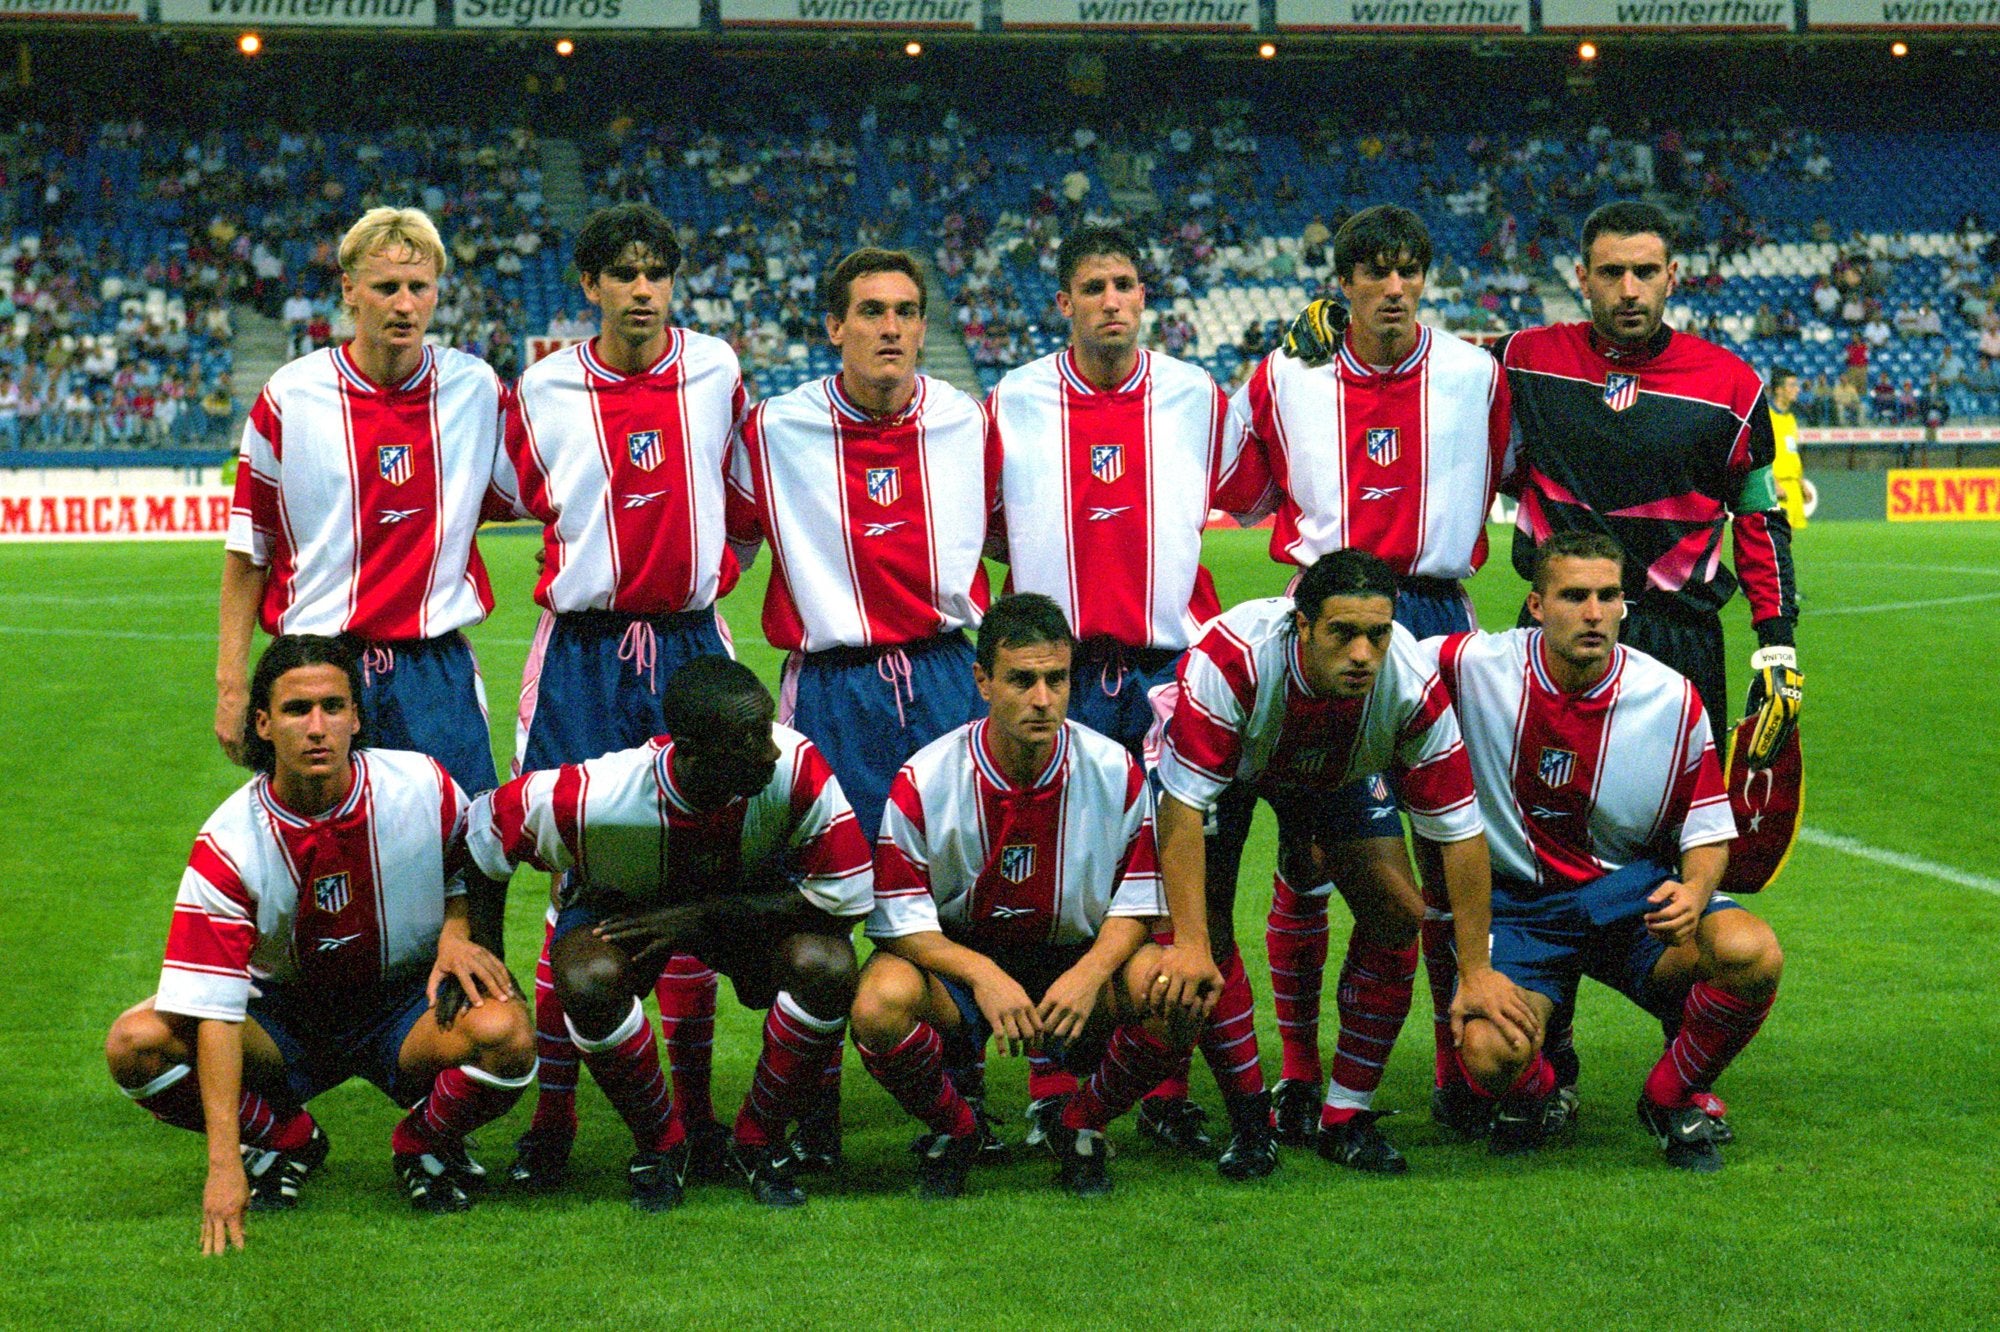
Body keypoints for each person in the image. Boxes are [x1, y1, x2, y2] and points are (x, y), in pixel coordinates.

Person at [984, 224, 1267, 1167]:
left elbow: (1242, 495)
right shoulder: (1014, 399)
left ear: (1146, 297)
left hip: (1166, 678)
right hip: (1058, 676)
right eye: (1094, 286)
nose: (1114, 299)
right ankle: (1053, 1083)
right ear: (1062, 302)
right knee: (1062, 887)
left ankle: (1166, 1086)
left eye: (1127, 284)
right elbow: (987, 524)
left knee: (1189, 892)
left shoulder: (1194, 394)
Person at [105, 636, 535, 1251]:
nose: (317, 727)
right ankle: (285, 1139)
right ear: (262, 723)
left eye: (334, 707)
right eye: (296, 710)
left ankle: (422, 1143)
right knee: (135, 1044)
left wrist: (456, 929)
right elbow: (218, 1014)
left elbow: (469, 864)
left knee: (508, 1036)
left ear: (357, 718)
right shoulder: (229, 842)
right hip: (285, 1019)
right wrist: (225, 1165)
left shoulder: (420, 784)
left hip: (402, 1008)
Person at [1233, 205, 1513, 1144]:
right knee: (1309, 853)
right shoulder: (1289, 376)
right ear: (1341, 283)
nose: (1394, 288)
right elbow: (1238, 485)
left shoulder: (1478, 376)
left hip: (1432, 618)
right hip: (1325, 629)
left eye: (1410, 271)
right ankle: (1301, 1069)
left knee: (1441, 854)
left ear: (1426, 280)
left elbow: (1521, 471)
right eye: (1374, 272)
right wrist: (1267, 362)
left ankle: (1452, 1055)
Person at [726, 248, 994, 1172]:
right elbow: (718, 523)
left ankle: (963, 1085)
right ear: (834, 326)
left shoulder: (965, 421)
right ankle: (813, 1106)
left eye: (908, 312)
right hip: (831, 684)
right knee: (824, 898)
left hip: (944, 679)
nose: (891, 328)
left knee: (951, 885)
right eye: (871, 311)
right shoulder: (774, 429)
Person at [501, 203, 746, 1192]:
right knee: (575, 873)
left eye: (657, 270)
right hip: (584, 653)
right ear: (590, 285)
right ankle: (553, 1117)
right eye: (622, 272)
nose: (641, 288)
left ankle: (691, 1115)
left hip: (687, 643)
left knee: (691, 873)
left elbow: (742, 492)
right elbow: (524, 497)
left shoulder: (718, 368)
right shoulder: (544, 385)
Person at [1152, 549, 1537, 1174]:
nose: (1362, 654)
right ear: (1300, 626)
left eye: (1376, 634)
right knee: (1203, 933)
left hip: (1342, 771)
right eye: (1342, 633)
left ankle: (1345, 1114)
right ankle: (1252, 1121)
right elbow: (1184, 809)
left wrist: (1476, 969)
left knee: (1394, 914)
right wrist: (1191, 939)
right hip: (1233, 770)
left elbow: (1461, 835)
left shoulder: (1409, 685)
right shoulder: (1233, 661)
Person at [463, 657, 873, 1211]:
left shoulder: (796, 765)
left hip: (739, 913)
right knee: (585, 979)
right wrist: (485, 955)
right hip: (628, 913)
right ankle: (662, 1146)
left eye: (766, 729)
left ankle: (755, 1142)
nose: (772, 749)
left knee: (827, 965)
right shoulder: (598, 795)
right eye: (750, 739)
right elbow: (484, 831)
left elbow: (847, 895)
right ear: (692, 749)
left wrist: (702, 916)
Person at [1437, 533, 1783, 1170]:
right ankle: (1543, 1090)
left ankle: (1669, 1095)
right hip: (1522, 911)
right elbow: (1380, 658)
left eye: (1608, 596)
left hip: (1629, 903)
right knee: (1490, 1054)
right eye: (1574, 596)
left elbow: (1708, 829)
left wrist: (1695, 892)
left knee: (1750, 952)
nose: (1594, 612)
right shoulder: (1471, 666)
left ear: (1625, 604)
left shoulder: (1672, 698)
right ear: (1536, 605)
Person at [852, 594, 1191, 1198]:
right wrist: (982, 973)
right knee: (879, 1003)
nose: (1042, 699)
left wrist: (1090, 973)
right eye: (1022, 680)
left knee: (1176, 993)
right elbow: (898, 920)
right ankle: (958, 1129)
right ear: (982, 681)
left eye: (1056, 679)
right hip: (963, 964)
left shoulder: (1115, 768)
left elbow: (1138, 902)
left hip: (1072, 955)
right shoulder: (925, 778)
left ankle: (1079, 1123)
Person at [216, 207, 518, 799]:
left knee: (467, 849)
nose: (404, 305)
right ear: (350, 291)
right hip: (318, 670)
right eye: (386, 288)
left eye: (418, 287)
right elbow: (250, 551)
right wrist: (232, 684)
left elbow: (529, 493)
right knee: (319, 862)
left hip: (434, 669)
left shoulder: (476, 390)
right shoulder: (290, 397)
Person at [1767, 366, 1808, 529]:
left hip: (1793, 488)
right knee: (1776, 544)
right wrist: (1773, 483)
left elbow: (1791, 453)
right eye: (1792, 385)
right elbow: (1759, 454)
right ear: (1778, 390)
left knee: (1791, 545)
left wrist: (1801, 482)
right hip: (1776, 488)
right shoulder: (1767, 416)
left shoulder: (1790, 418)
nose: (1797, 389)